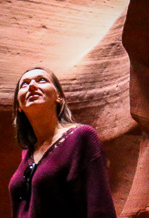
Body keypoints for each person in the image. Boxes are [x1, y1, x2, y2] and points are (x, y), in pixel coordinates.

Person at [9, 67, 117, 218]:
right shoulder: (27, 155)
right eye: (24, 84)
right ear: (19, 106)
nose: (32, 86)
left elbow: (99, 206)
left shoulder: (81, 137)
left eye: (41, 80)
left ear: (59, 97)